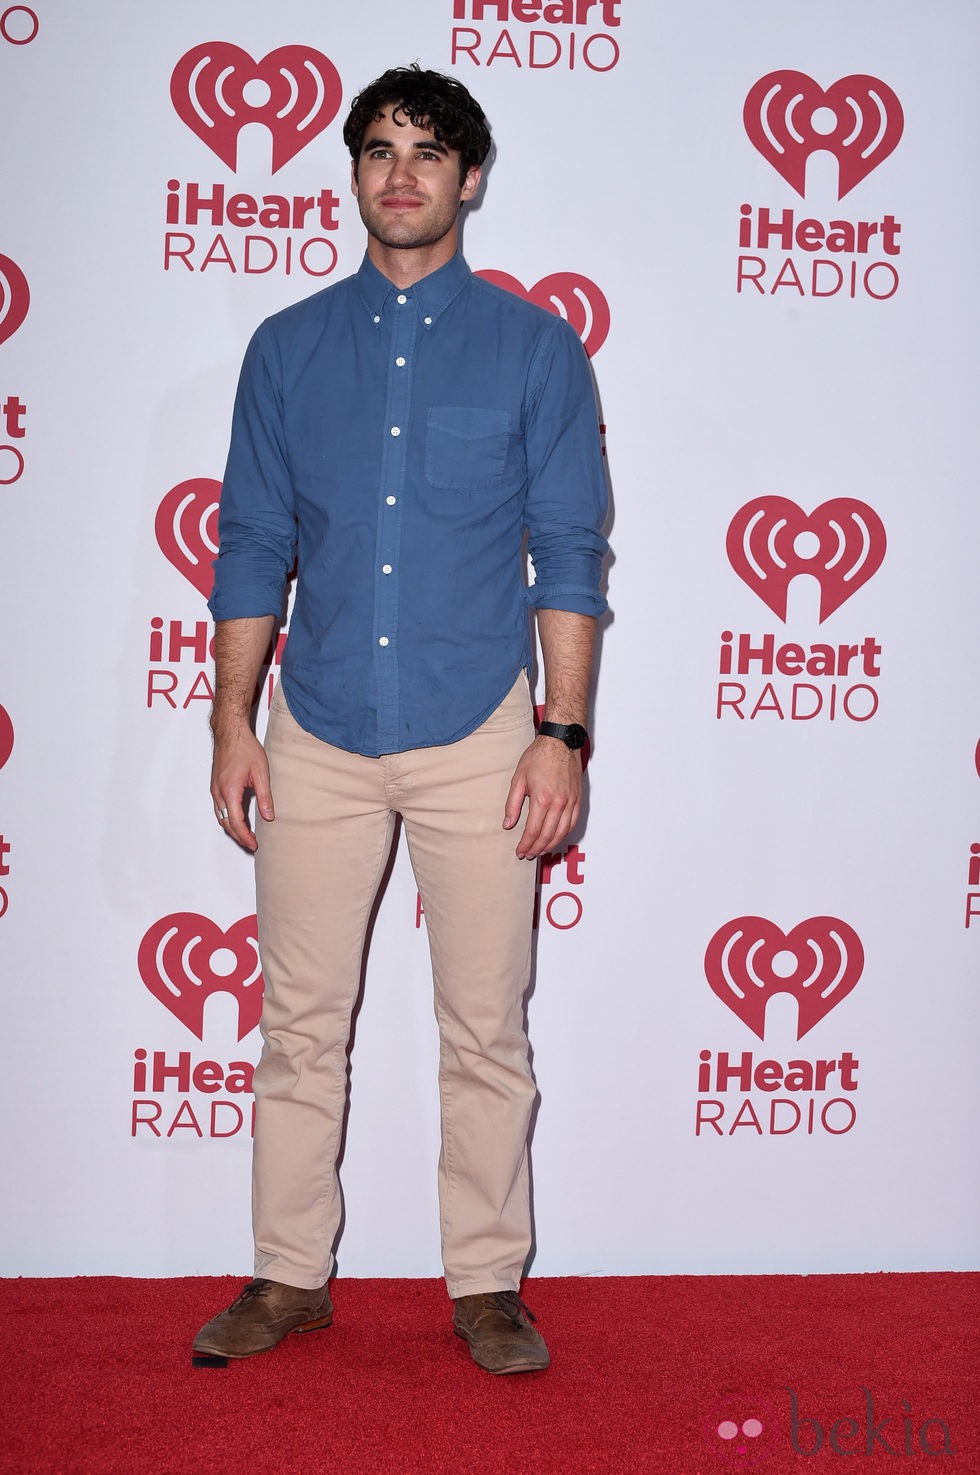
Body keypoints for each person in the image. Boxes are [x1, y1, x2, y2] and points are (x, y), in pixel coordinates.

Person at [193, 64, 608, 1375]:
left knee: (485, 1026)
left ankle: (487, 1284)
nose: (402, 172)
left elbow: (571, 551)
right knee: (300, 1022)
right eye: (379, 148)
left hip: (483, 730)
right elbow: (254, 545)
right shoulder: (288, 349)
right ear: (354, 170)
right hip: (313, 730)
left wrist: (565, 731)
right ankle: (285, 1278)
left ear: (470, 177)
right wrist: (230, 722)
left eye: (430, 151)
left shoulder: (536, 347)